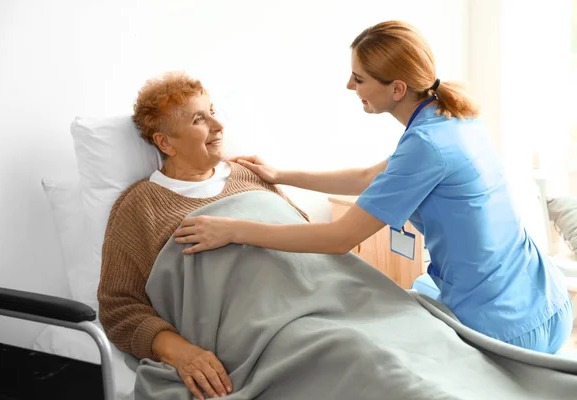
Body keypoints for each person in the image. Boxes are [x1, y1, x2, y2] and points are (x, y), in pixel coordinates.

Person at [174, 20, 574, 354]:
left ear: (397, 89)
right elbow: (370, 177)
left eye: (359, 78)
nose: (350, 86)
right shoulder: (449, 116)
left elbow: (338, 238)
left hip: (509, 325)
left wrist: (233, 231)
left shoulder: (428, 145)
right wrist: (282, 175)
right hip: (544, 299)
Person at [97, 71, 309, 400]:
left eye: (213, 111)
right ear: (165, 142)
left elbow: (308, 239)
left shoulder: (251, 176)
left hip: (314, 304)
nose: (219, 126)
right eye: (200, 119)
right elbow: (119, 307)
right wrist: (181, 353)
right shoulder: (141, 207)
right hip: (259, 335)